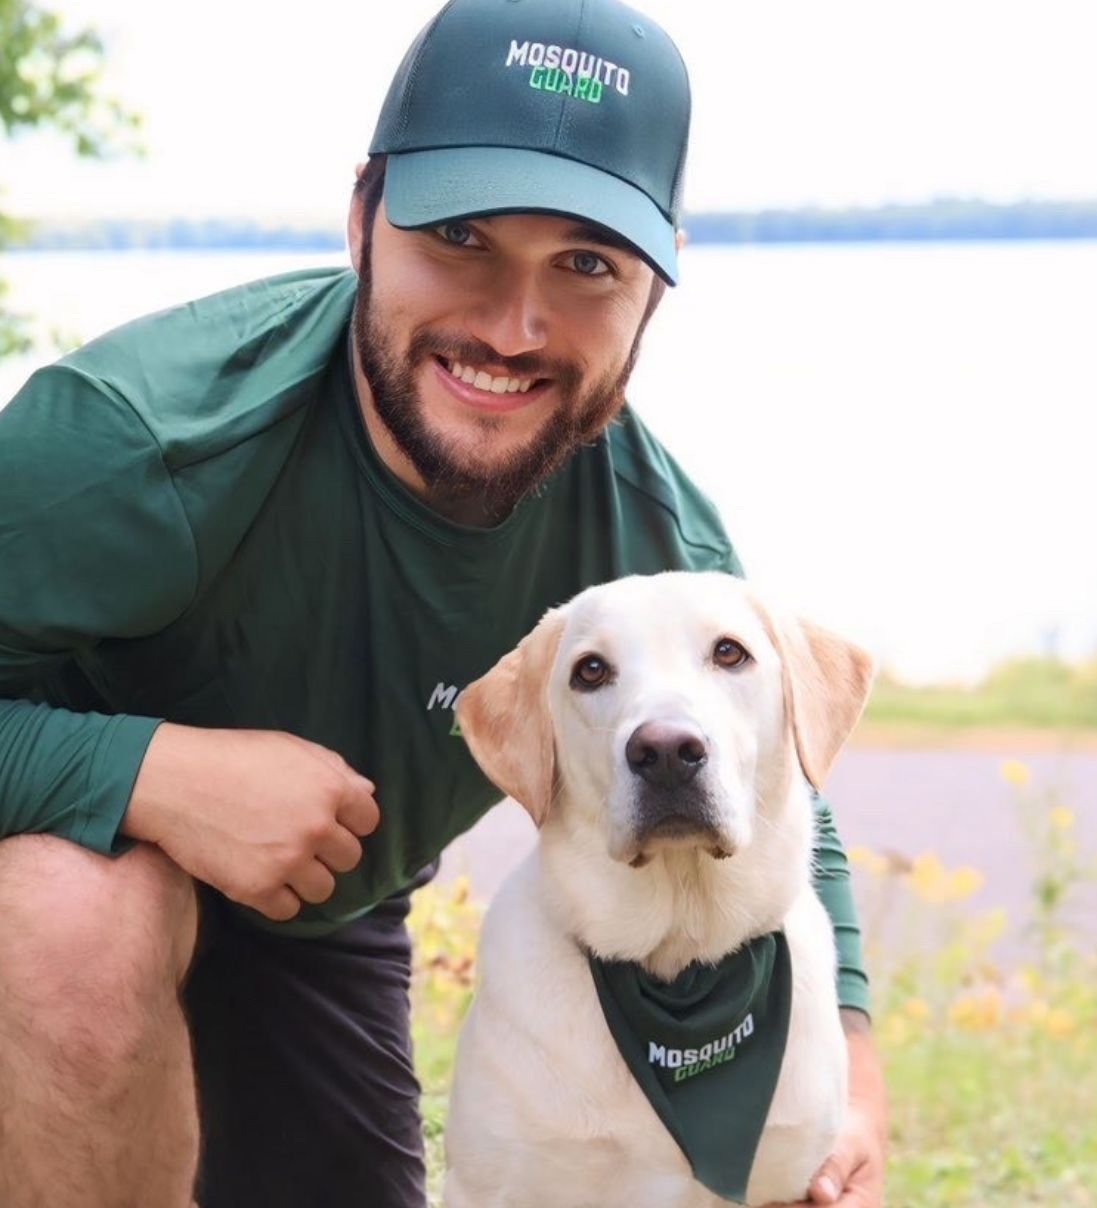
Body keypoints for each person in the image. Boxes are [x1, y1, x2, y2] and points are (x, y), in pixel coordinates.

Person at [0, 0, 887, 1204]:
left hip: (315, 921)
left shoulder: (657, 539)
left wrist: (854, 1063)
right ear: (364, 216)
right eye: (460, 234)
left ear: (654, 290)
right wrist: (151, 773)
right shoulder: (137, 445)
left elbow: (774, 760)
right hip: (44, 889)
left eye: (586, 264)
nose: (512, 327)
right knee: (73, 914)